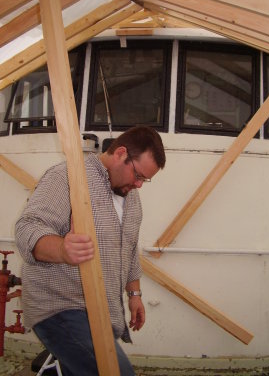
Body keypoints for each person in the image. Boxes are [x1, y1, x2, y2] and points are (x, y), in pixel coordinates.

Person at [15, 126, 166, 376]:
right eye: (138, 175)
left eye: (145, 180)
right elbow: (27, 228)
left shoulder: (130, 197)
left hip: (100, 311)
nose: (139, 185)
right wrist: (62, 249)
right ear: (120, 153)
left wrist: (134, 293)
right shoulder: (68, 176)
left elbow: (127, 248)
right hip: (59, 306)